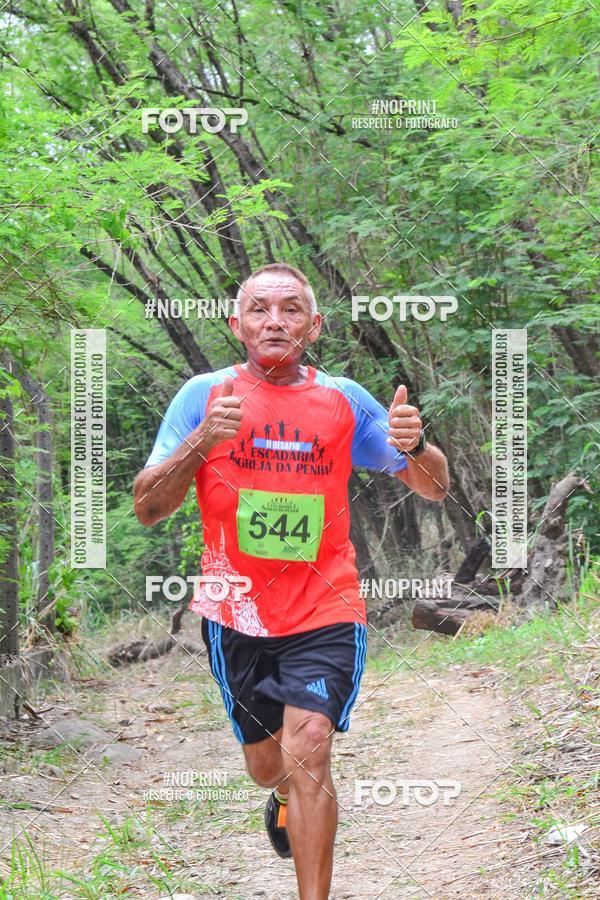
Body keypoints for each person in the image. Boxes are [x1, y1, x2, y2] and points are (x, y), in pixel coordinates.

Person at [133, 262, 449, 899]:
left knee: (310, 750)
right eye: (260, 310)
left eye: (290, 309)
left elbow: (435, 486)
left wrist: (417, 446)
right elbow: (148, 506)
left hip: (325, 605)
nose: (274, 320)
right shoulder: (204, 395)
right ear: (237, 324)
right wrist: (202, 439)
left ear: (314, 325)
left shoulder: (342, 399)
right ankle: (277, 797)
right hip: (235, 612)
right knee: (268, 765)